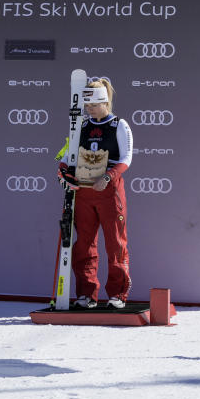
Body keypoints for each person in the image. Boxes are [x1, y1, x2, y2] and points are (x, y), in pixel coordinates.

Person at [58, 79, 134, 309]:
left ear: (104, 101)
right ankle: (87, 295)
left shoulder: (119, 125)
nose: (89, 109)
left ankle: (118, 294)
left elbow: (126, 158)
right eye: (87, 105)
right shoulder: (80, 125)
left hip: (109, 191)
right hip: (84, 191)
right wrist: (63, 173)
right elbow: (65, 156)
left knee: (115, 243)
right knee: (84, 245)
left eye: (92, 105)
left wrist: (109, 177)